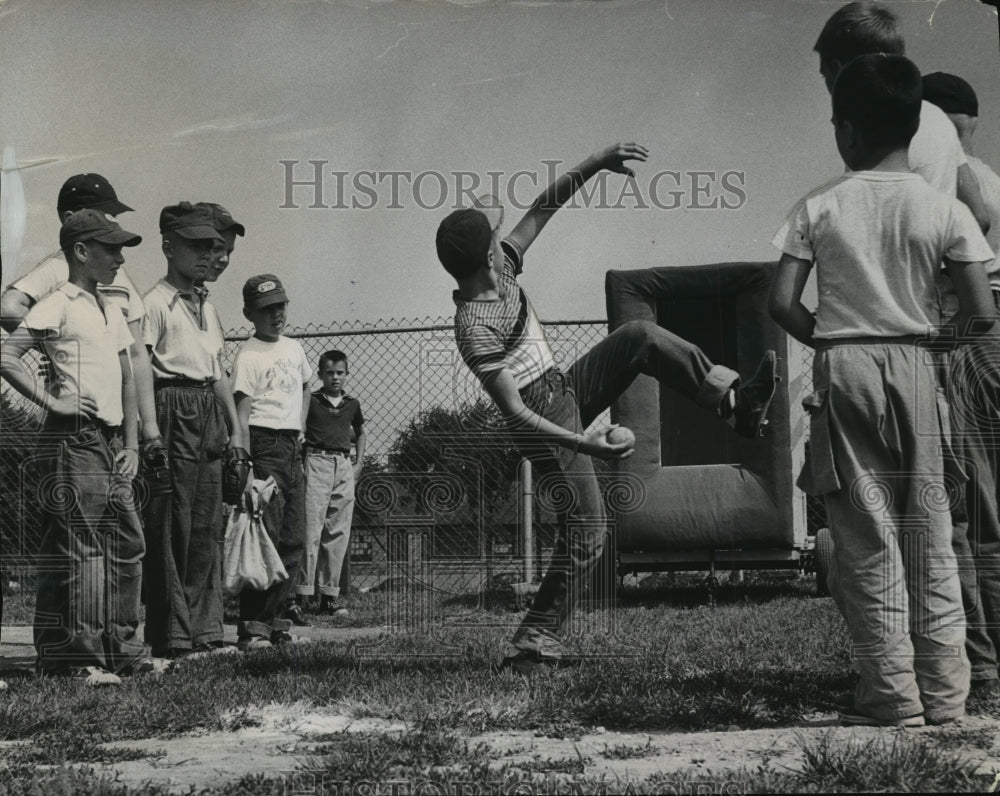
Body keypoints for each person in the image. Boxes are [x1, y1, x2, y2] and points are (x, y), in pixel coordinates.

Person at [436, 142, 778, 675]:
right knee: (590, 527)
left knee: (638, 336)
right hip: (540, 419)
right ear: (484, 256)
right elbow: (516, 415)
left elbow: (543, 207)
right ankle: (533, 641)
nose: (504, 240)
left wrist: (596, 163)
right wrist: (586, 443)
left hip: (560, 388)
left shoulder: (499, 265)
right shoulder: (474, 328)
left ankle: (734, 402)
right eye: (492, 238)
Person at [769, 54, 995, 726]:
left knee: (866, 535)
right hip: (922, 364)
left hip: (847, 367)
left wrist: (834, 346)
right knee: (930, 528)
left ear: (846, 131)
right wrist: (933, 347)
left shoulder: (820, 203)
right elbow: (981, 311)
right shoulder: (944, 207)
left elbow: (782, 302)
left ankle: (892, 699)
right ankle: (948, 697)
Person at [0, 210, 156, 686]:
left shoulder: (110, 306)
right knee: (83, 548)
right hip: (75, 441)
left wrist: (130, 443)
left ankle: (125, 652)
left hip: (110, 443)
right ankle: (78, 660)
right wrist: (54, 403)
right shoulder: (60, 302)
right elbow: (7, 356)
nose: (119, 257)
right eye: (110, 249)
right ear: (82, 252)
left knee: (127, 542)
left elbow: (128, 376)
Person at [922, 72, 1000, 696]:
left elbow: (982, 214)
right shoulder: (977, 167)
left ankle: (987, 655)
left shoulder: (959, 172)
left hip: (972, 331)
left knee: (976, 508)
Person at [141, 202, 245, 659]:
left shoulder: (209, 305)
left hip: (207, 412)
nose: (208, 255)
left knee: (206, 525)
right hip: (171, 406)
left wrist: (236, 431)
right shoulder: (154, 303)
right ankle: (172, 637)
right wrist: (150, 432)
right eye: (197, 246)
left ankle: (207, 632)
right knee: (172, 525)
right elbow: (141, 369)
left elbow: (217, 373)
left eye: (213, 247)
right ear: (168, 246)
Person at [0, 174, 163, 447]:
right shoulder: (57, 268)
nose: (112, 222)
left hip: (119, 420)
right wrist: (56, 347)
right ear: (70, 217)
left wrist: (149, 425)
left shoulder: (119, 280)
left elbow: (136, 355)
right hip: (79, 422)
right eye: (104, 214)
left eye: (113, 216)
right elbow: (8, 307)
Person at [812, 2, 990, 232]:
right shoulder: (935, 115)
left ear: (838, 70)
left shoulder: (869, 129)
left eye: (825, 75)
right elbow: (979, 215)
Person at [232, 274, 312, 650]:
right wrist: (246, 462)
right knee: (265, 537)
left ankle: (279, 622)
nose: (276, 315)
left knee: (293, 538)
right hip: (263, 445)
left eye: (280, 306)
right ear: (250, 313)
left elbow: (305, 387)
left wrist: (300, 428)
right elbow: (242, 412)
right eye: (267, 309)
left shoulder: (294, 349)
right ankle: (253, 627)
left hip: (292, 444)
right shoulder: (248, 354)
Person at [294, 349, 366, 621]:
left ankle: (329, 597)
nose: (335, 378)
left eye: (340, 373)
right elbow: (300, 430)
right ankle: (301, 595)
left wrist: (358, 463)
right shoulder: (311, 401)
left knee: (337, 532)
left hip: (343, 465)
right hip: (317, 462)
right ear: (321, 375)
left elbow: (360, 431)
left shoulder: (352, 404)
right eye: (329, 373)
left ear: (346, 374)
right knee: (311, 530)